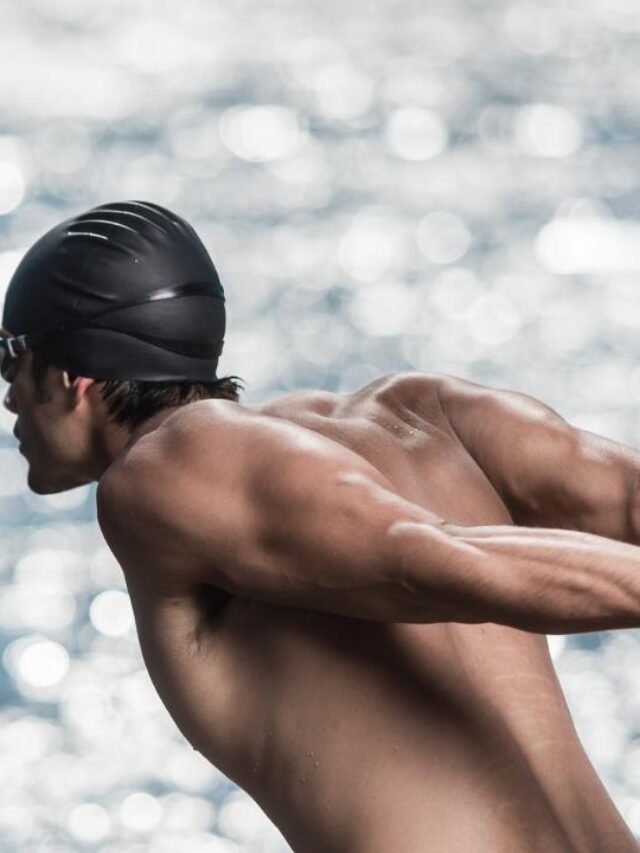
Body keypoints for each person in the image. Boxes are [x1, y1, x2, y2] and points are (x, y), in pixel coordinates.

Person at [2, 200, 640, 853]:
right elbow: (626, 497)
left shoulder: (157, 471)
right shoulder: (418, 414)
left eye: (8, 364)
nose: (7, 399)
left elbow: (426, 559)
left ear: (71, 373)